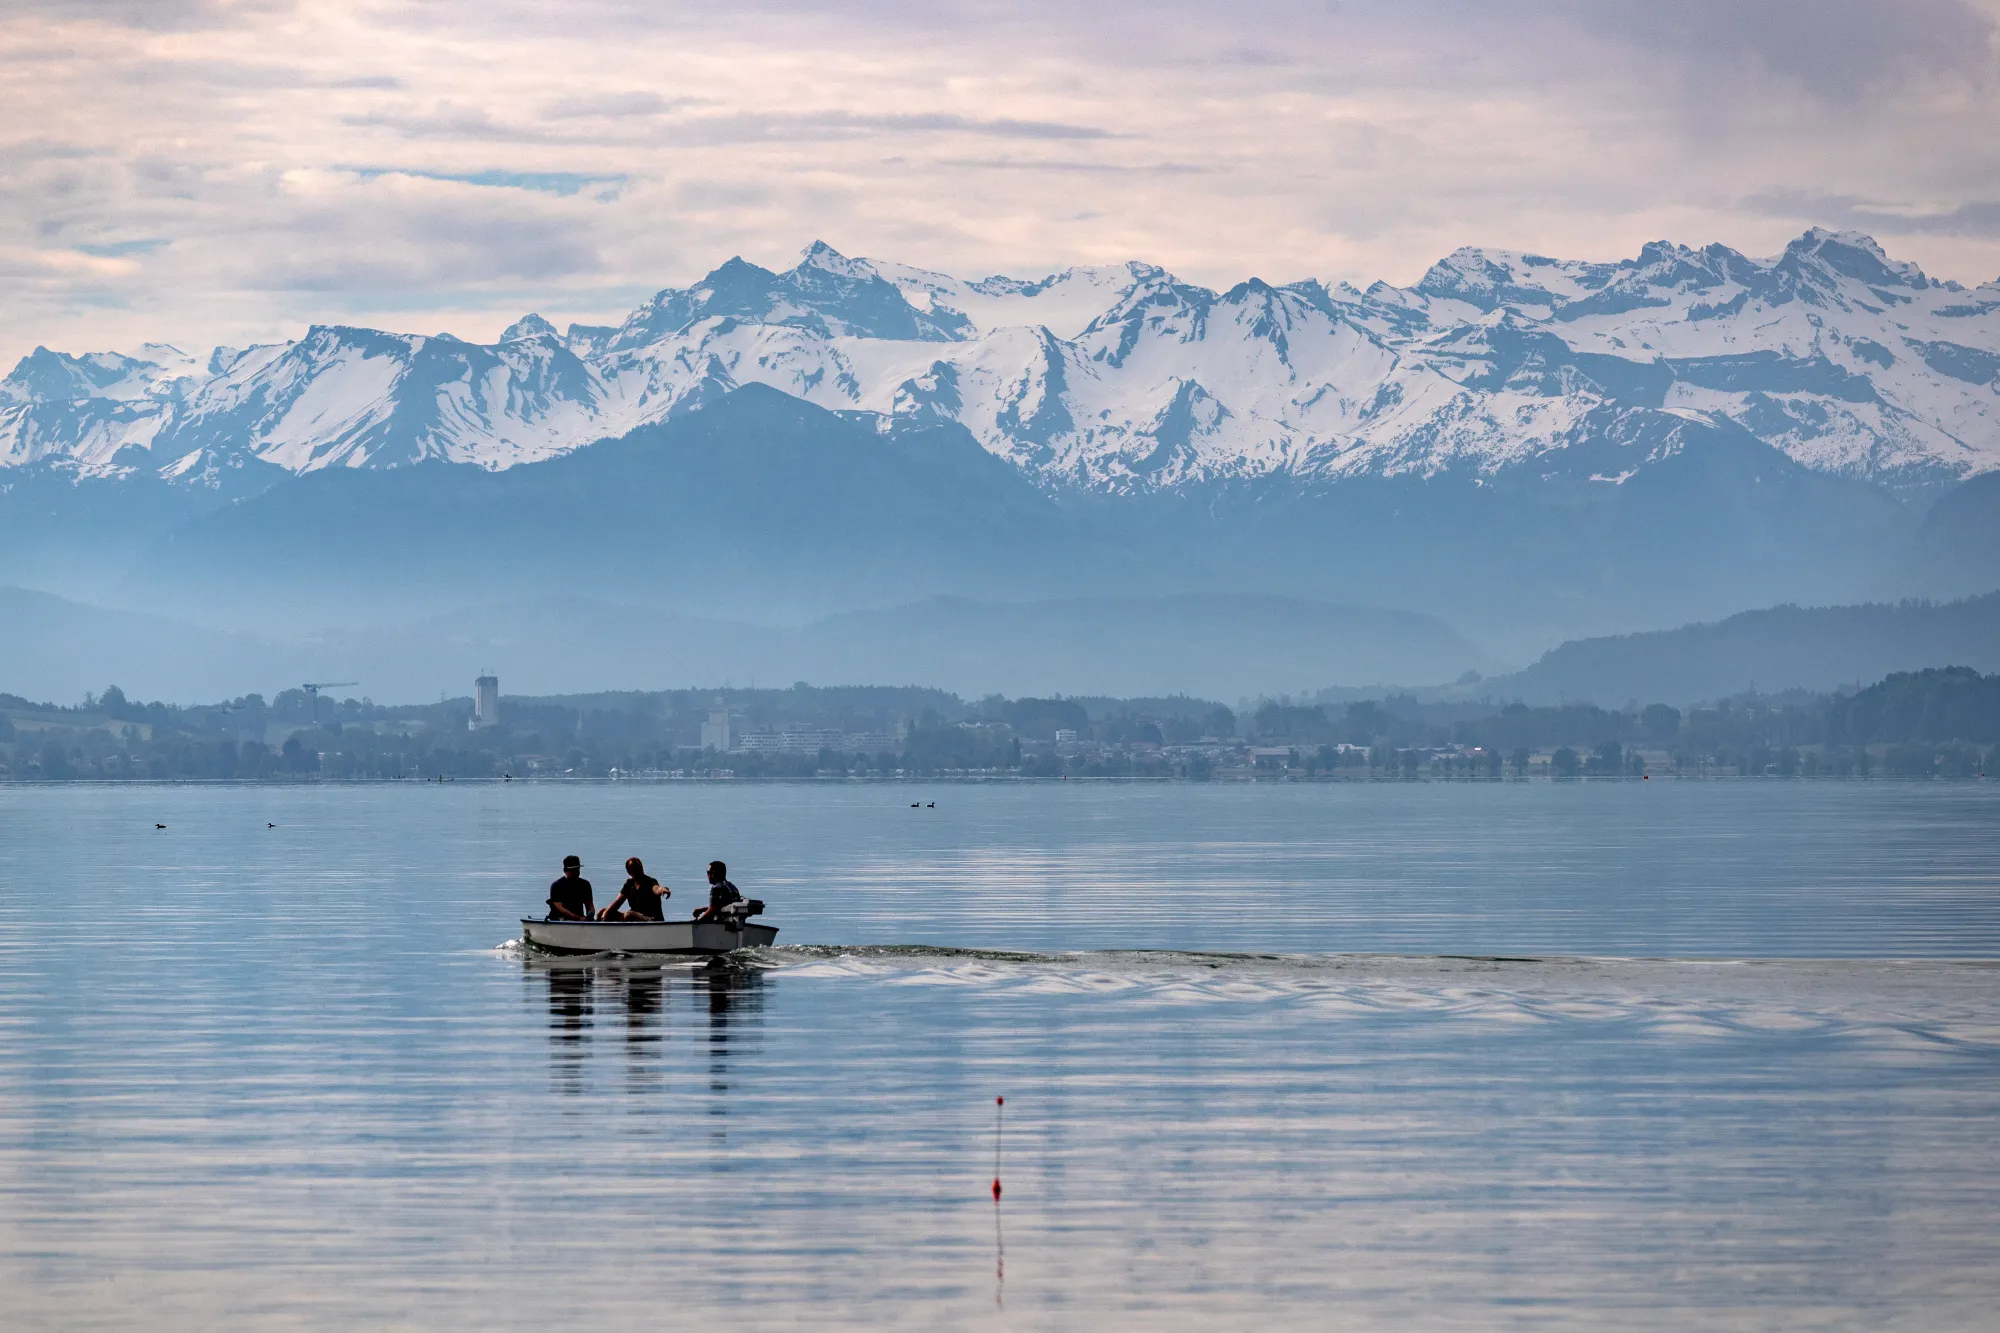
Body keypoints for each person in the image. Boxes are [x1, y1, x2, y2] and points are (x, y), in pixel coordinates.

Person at [600, 856, 669, 921]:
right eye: (635, 869)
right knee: (602, 912)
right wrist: (606, 912)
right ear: (629, 872)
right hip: (635, 918)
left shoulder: (650, 881)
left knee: (629, 914)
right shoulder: (629, 884)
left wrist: (662, 889)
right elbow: (618, 902)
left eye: (640, 868)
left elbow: (656, 889)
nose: (639, 871)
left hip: (652, 919)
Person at [546, 855, 595, 921]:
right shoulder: (557, 885)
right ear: (565, 870)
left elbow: (590, 905)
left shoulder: (585, 884)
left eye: (577, 869)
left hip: (580, 919)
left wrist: (590, 915)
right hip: (560, 920)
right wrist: (577, 918)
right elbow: (559, 908)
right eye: (573, 870)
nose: (576, 872)